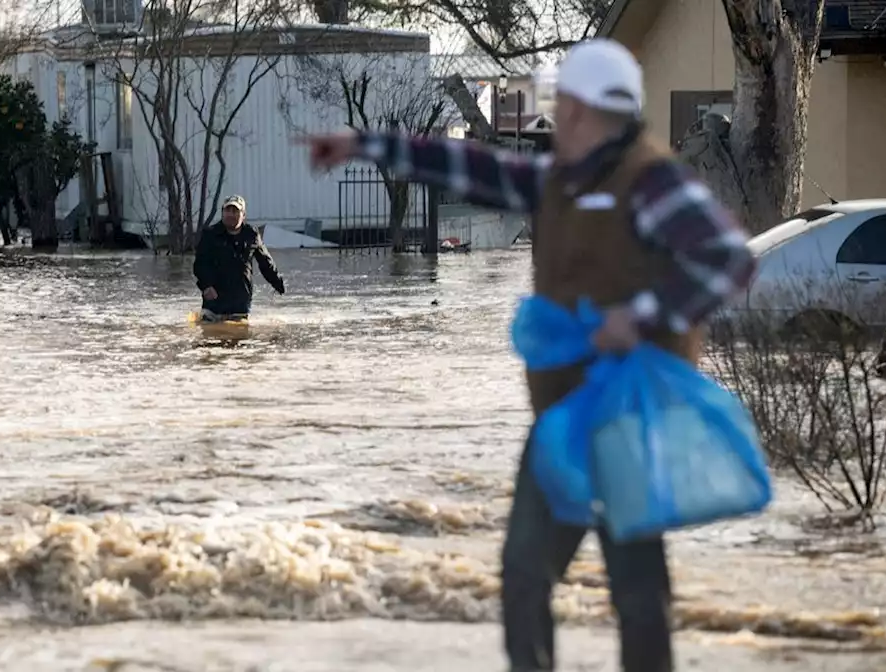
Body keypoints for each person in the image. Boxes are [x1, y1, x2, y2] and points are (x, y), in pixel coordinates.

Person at [297, 39, 756, 672]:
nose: (555, 114)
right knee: (524, 573)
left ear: (578, 109)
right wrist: (365, 144)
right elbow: (471, 167)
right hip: (563, 419)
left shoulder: (652, 181)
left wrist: (644, 316)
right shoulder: (557, 182)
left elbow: (729, 259)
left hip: (629, 418)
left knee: (638, 592)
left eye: (560, 101)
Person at [193, 195, 286, 322]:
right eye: (228, 210)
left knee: (239, 338)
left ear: (243, 215)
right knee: (210, 338)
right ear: (222, 213)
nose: (231, 214)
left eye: (235, 211)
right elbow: (199, 264)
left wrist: (278, 284)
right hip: (214, 302)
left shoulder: (251, 235)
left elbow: (265, 262)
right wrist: (206, 286)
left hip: (240, 302)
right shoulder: (210, 234)